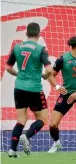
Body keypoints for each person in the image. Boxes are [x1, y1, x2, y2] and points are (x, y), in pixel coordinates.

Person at [6, 22, 53, 157]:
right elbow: (49, 69)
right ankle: (27, 136)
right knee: (43, 118)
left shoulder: (17, 47)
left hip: (19, 87)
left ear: (26, 34)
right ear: (39, 34)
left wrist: (19, 74)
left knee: (21, 120)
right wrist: (44, 75)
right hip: (34, 89)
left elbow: (8, 67)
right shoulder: (40, 49)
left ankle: (12, 150)